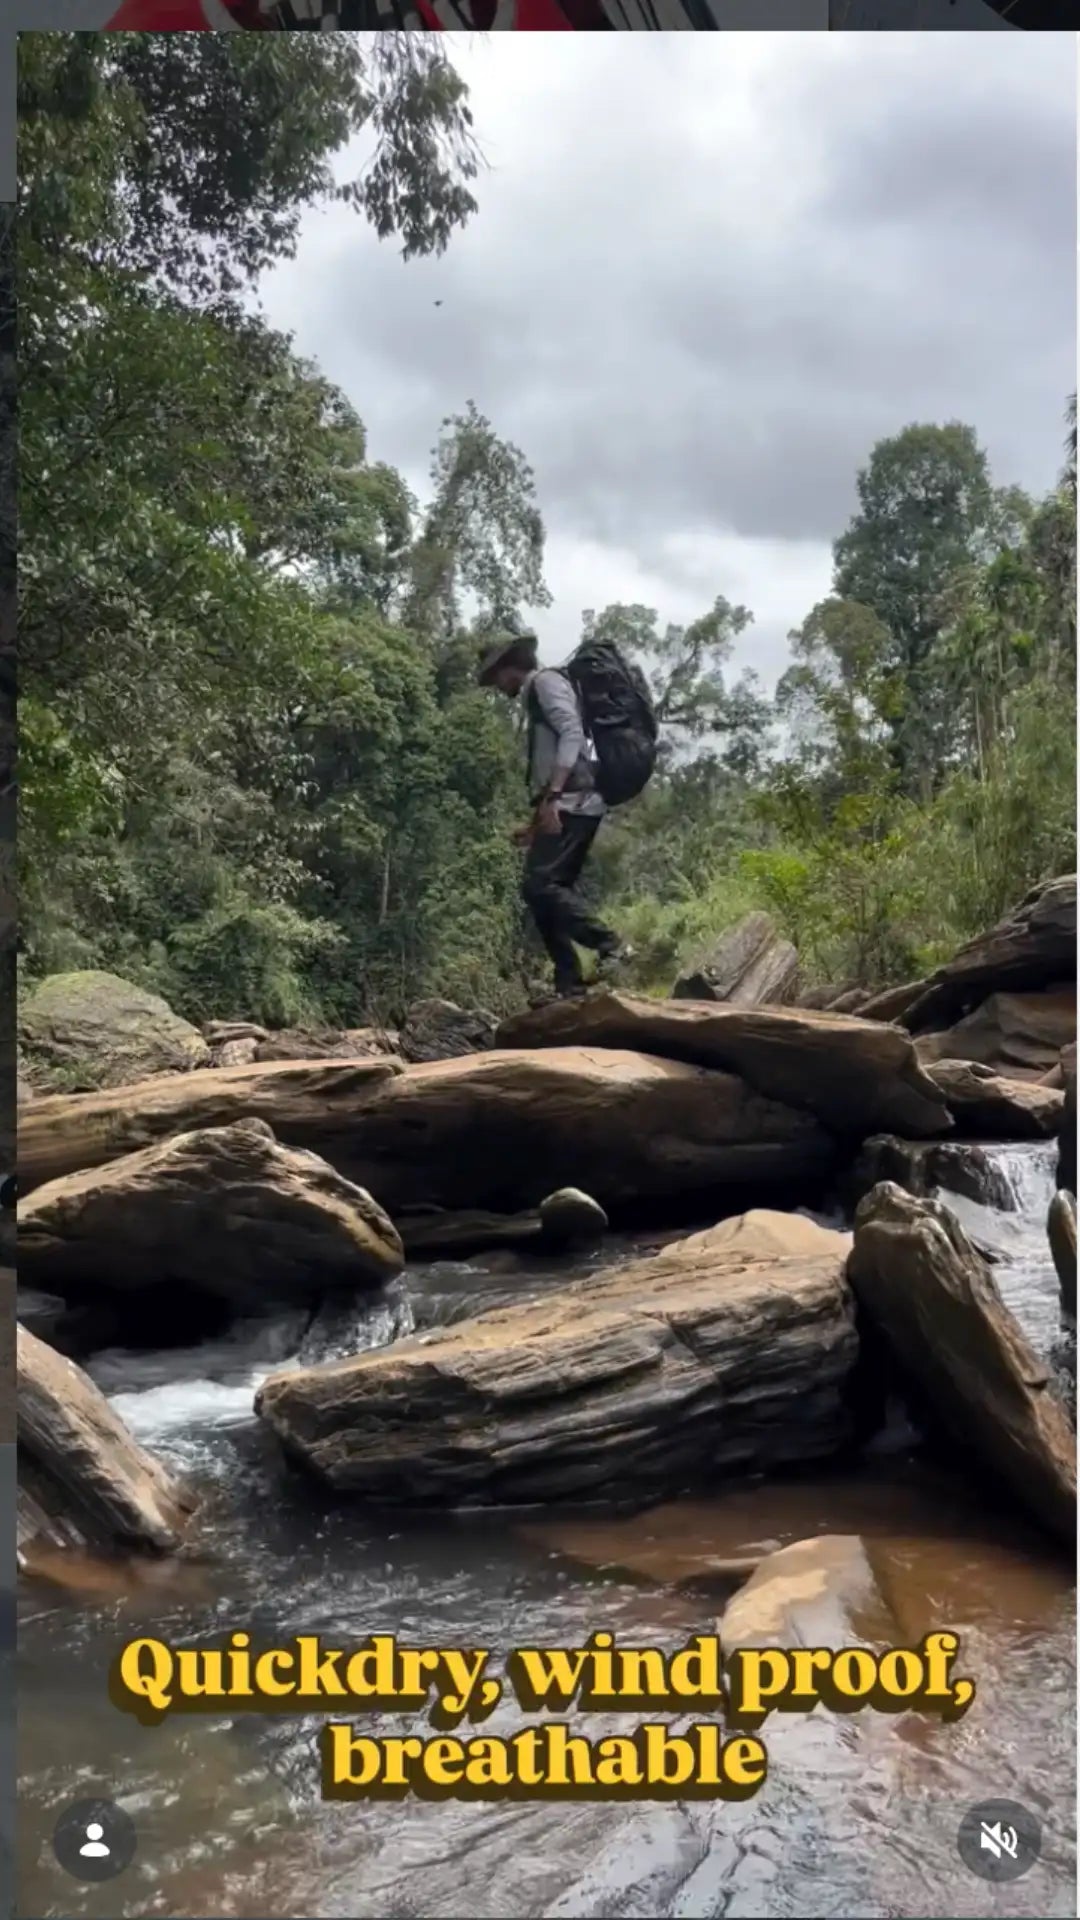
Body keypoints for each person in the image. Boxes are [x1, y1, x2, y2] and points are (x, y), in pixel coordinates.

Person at [478, 632, 629, 1001]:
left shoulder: (545, 683)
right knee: (540, 891)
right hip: (564, 802)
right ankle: (569, 983)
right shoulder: (536, 693)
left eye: (495, 678)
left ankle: (611, 945)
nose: (497, 687)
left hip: (575, 802)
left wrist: (557, 794)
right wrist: (533, 827)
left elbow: (572, 733)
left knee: (540, 886)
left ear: (508, 669)